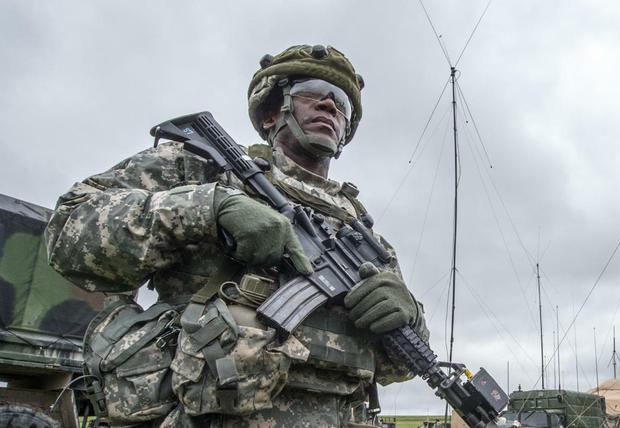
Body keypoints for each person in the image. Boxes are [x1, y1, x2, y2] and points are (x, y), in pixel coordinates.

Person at [45, 44, 428, 427]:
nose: (330, 106)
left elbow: (396, 367)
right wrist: (205, 208)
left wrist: (409, 316)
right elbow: (68, 231)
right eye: (312, 91)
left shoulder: (364, 239)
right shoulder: (204, 169)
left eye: (341, 102)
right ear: (270, 113)